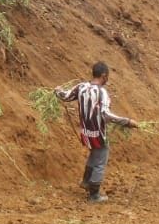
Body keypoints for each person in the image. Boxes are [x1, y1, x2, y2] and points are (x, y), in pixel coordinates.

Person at [54, 62, 139, 203]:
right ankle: (94, 194)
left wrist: (57, 90)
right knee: (101, 159)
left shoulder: (81, 87)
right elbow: (106, 115)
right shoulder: (102, 92)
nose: (107, 80)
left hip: (86, 132)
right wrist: (127, 122)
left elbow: (65, 96)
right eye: (107, 77)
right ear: (103, 76)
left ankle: (86, 181)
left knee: (94, 153)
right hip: (98, 133)